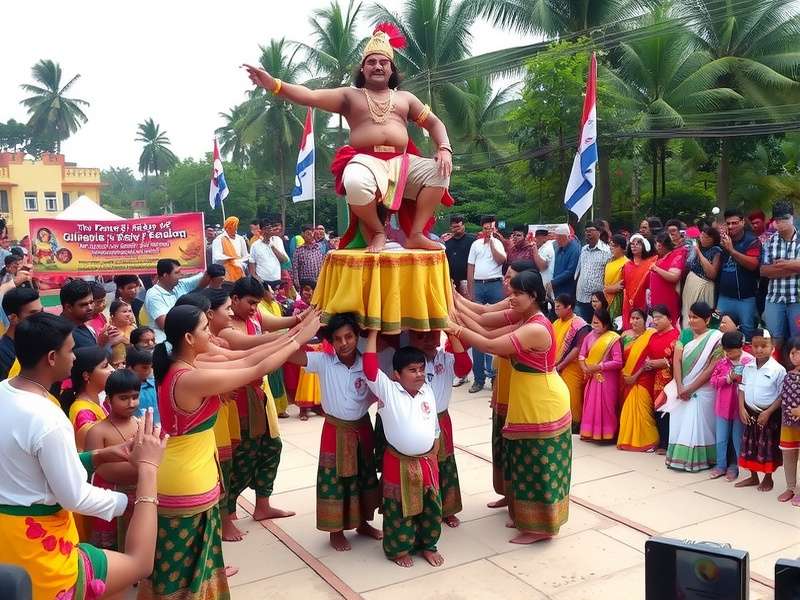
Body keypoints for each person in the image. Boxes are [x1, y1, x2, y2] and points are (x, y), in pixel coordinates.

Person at [141, 304, 319, 598]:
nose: (211, 333)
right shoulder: (189, 378)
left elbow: (247, 358)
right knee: (181, 567)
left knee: (194, 560)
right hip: (186, 479)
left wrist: (296, 332)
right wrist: (298, 338)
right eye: (204, 329)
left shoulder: (188, 368)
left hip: (191, 471)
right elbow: (256, 368)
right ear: (188, 338)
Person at [0, 312, 167, 599]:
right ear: (52, 358)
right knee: (139, 564)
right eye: (70, 351)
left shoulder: (6, 392)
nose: (75, 357)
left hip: (8, 537)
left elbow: (29, 468)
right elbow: (73, 497)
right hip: (39, 552)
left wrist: (98, 456)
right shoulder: (47, 417)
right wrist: (136, 491)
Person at [245, 24, 453, 253]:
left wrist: (444, 148)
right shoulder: (350, 96)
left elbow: (435, 123)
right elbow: (310, 96)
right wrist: (275, 84)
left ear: (391, 69)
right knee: (354, 181)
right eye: (371, 62)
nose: (377, 66)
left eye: (383, 62)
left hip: (401, 162)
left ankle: (416, 234)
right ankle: (378, 232)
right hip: (366, 161)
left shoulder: (406, 98)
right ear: (363, 69)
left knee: (441, 170)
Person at [447, 271, 571, 544]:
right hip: (529, 397)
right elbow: (484, 330)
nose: (510, 297)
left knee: (538, 464)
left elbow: (489, 344)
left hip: (542, 401)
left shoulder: (535, 328)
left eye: (517, 293)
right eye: (511, 292)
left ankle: (541, 528)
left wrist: (454, 327)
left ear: (533, 296)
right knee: (524, 460)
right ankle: (527, 519)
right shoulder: (525, 320)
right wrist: (454, 310)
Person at [286, 313, 383, 551]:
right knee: (335, 482)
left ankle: (363, 523)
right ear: (330, 341)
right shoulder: (323, 361)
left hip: (362, 428)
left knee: (363, 478)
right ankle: (335, 531)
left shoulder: (368, 363)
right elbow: (290, 354)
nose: (344, 343)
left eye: (349, 336)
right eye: (337, 339)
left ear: (357, 336)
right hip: (334, 431)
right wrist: (305, 330)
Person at [363, 329, 444, 567]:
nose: (419, 374)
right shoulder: (388, 390)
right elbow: (370, 368)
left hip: (427, 461)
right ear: (397, 374)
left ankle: (428, 546)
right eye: (412, 370)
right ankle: (399, 550)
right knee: (398, 509)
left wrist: (435, 446)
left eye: (421, 369)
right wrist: (373, 332)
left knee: (431, 507)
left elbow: (434, 423)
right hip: (398, 462)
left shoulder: (427, 390)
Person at [224, 277, 297, 526]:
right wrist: (292, 336)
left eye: (257, 303)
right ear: (234, 299)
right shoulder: (225, 326)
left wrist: (304, 317)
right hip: (238, 399)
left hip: (259, 395)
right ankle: (228, 511)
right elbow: (252, 344)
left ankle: (263, 505)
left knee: (271, 447)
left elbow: (281, 321)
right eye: (251, 303)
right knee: (243, 455)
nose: (255, 308)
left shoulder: (254, 316)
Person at [408, 329, 471, 528]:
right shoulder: (407, 362)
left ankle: (448, 510)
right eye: (420, 335)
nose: (427, 340)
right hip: (416, 422)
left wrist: (451, 333)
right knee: (420, 467)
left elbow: (464, 368)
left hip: (442, 420)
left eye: (432, 334)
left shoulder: (447, 358)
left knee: (445, 464)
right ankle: (421, 511)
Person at [661, 301, 723, 471]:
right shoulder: (685, 334)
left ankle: (703, 459)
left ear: (707, 319)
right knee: (682, 422)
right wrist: (680, 386)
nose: (691, 321)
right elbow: (677, 360)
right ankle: (680, 458)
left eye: (695, 317)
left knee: (700, 424)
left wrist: (691, 388)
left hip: (703, 389)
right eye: (689, 317)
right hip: (683, 387)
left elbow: (712, 367)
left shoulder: (716, 337)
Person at [84, 369, 141, 551]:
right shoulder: (97, 431)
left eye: (135, 397)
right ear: (108, 399)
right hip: (110, 503)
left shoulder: (140, 425)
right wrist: (141, 466)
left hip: (139, 498)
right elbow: (100, 470)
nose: (131, 403)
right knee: (110, 550)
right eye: (124, 398)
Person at [736, 328, 786, 492]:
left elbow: (782, 395)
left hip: (767, 415)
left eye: (763, 346)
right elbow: (742, 388)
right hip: (749, 412)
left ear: (772, 347)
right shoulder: (748, 367)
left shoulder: (778, 369)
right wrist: (741, 407)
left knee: (767, 448)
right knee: (750, 446)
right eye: (755, 346)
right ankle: (753, 476)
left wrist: (768, 412)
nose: (758, 349)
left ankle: (768, 478)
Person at [466, 216, 507, 393]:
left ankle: (495, 376)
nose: (488, 230)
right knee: (477, 331)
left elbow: (501, 260)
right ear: (482, 228)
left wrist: (491, 243)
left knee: (496, 330)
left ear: (494, 228)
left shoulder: (498, 243)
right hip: (478, 286)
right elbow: (470, 267)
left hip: (495, 285)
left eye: (490, 227)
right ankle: (479, 378)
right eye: (485, 228)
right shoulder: (475, 244)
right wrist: (470, 290)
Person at [709, 331, 752, 481]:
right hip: (723, 407)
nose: (728, 354)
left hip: (740, 408)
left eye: (731, 351)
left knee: (737, 438)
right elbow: (713, 382)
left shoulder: (749, 362)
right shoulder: (722, 362)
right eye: (726, 351)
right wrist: (728, 378)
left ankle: (736, 467)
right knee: (721, 438)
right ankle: (721, 465)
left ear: (741, 347)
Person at [761, 200, 800, 355]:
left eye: (785, 218)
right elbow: (764, 271)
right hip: (774, 297)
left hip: (797, 298)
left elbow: (772, 269)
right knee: (774, 339)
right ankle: (775, 367)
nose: (781, 223)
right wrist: (795, 266)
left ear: (792, 217)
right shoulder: (769, 242)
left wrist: (783, 264)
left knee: (797, 340)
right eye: (778, 220)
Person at [617, 308, 659, 452]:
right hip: (626, 377)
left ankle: (650, 441)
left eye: (638, 318)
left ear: (645, 320)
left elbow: (649, 360)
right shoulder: (625, 335)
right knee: (627, 411)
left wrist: (635, 376)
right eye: (632, 318)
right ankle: (627, 440)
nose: (634, 321)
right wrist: (625, 375)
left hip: (643, 377)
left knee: (643, 411)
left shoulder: (651, 334)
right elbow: (619, 358)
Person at [578, 308, 622, 442]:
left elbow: (618, 362)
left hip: (607, 379)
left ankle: (607, 435)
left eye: (597, 323)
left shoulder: (613, 338)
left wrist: (599, 367)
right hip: (591, 377)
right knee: (591, 405)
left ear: (606, 324)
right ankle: (590, 433)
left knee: (606, 406)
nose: (593, 326)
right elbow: (581, 355)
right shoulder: (589, 336)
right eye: (593, 322)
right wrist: (585, 368)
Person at [717, 209, 762, 340]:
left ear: (742, 222)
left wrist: (731, 250)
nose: (731, 226)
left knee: (747, 332)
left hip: (746, 298)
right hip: (724, 296)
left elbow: (753, 264)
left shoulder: (752, 241)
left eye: (734, 223)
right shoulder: (723, 240)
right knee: (718, 330)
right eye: (728, 223)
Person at [143, 258, 209, 343]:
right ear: (165, 275)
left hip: (183, 337)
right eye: (177, 272)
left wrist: (211, 271)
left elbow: (202, 278)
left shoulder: (180, 284)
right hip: (164, 341)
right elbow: (165, 325)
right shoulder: (154, 295)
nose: (181, 274)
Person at [645, 305, 680, 454]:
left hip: (670, 379)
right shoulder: (652, 336)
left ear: (670, 319)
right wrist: (649, 363)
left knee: (669, 409)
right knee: (657, 409)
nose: (655, 321)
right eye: (654, 318)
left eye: (659, 318)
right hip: (653, 378)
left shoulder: (677, 336)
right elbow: (648, 355)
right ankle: (661, 441)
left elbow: (680, 359)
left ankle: (668, 443)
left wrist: (664, 362)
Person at [553, 294, 591, 429]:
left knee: (572, 396)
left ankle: (575, 424)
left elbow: (578, 348)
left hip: (572, 367)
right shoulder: (556, 323)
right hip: (555, 367)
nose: (555, 309)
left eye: (558, 307)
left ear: (568, 307)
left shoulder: (579, 325)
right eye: (555, 306)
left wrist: (561, 365)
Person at [682, 225, 723, 327]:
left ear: (713, 239)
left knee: (699, 314)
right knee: (688, 312)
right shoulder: (697, 247)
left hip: (703, 285)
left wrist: (699, 253)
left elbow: (712, 274)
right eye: (702, 236)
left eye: (706, 237)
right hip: (691, 284)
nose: (703, 239)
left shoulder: (716, 250)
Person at [0, 287, 42, 379]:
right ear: (13, 318)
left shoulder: (39, 342)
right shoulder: (3, 354)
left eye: (41, 311)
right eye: (33, 314)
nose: (42, 318)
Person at [778, 337, 800, 506]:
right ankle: (790, 487)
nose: (795, 356)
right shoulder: (788, 375)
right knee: (789, 454)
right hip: (788, 423)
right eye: (792, 353)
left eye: (799, 353)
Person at [575, 221, 611, 323]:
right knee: (581, 326)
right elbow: (578, 271)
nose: (588, 233)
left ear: (599, 232)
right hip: (581, 297)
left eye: (591, 230)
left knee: (596, 326)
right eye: (586, 231)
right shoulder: (583, 250)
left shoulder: (607, 251)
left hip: (597, 300)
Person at [61, 279, 114, 349]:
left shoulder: (81, 323)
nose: (90, 308)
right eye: (83, 305)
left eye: (91, 302)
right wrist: (100, 344)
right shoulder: (65, 334)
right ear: (69, 307)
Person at [649, 233, 684, 328]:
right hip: (657, 299)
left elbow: (674, 277)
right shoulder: (661, 258)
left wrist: (656, 269)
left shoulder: (676, 256)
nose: (656, 247)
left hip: (668, 298)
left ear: (661, 245)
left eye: (657, 244)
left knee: (667, 324)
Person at [621, 234, 656, 330]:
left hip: (644, 303)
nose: (634, 246)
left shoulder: (650, 264)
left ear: (644, 246)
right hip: (628, 303)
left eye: (638, 243)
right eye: (632, 244)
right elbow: (624, 285)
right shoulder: (626, 265)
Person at [444, 214, 475, 298]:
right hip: (451, 281)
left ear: (463, 226)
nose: (456, 229)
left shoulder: (472, 240)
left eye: (458, 226)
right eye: (454, 227)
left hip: (467, 281)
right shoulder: (446, 241)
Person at [250, 218, 289, 284]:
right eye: (266, 228)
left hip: (276, 279)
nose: (269, 230)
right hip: (262, 281)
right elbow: (252, 262)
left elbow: (284, 260)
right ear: (261, 230)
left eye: (270, 228)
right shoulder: (255, 245)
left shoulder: (277, 240)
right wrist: (255, 276)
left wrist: (271, 245)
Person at [127, 347, 159, 424]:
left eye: (151, 367)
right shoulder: (125, 390)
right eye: (145, 368)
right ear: (130, 368)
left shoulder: (156, 384)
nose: (149, 371)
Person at [212, 216, 250, 281]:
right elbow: (216, 257)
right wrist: (231, 260)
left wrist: (240, 264)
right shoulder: (219, 239)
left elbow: (246, 256)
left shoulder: (240, 239)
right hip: (225, 273)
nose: (235, 228)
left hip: (240, 270)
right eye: (232, 226)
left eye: (236, 226)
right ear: (227, 227)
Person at [603, 234, 628, 324]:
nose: (611, 248)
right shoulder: (609, 261)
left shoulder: (626, 263)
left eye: (615, 246)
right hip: (605, 296)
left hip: (617, 299)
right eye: (610, 245)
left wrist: (609, 289)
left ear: (622, 248)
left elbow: (622, 285)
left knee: (615, 323)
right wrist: (607, 289)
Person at [292, 224, 326, 291]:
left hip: (318, 281)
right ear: (303, 234)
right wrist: (296, 282)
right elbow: (295, 268)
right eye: (308, 234)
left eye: (312, 234)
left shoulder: (320, 248)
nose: (311, 236)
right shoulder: (298, 251)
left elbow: (323, 264)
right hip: (305, 282)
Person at [551, 223, 580, 300]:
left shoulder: (575, 249)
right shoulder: (559, 246)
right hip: (556, 287)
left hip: (566, 289)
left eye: (558, 239)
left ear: (565, 237)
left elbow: (570, 271)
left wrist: (553, 282)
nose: (557, 241)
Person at [532, 228, 556, 293]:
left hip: (545, 283)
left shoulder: (548, 248)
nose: (535, 240)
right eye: (535, 237)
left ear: (545, 238)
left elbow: (542, 267)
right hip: (540, 283)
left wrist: (535, 251)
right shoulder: (542, 247)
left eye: (538, 238)